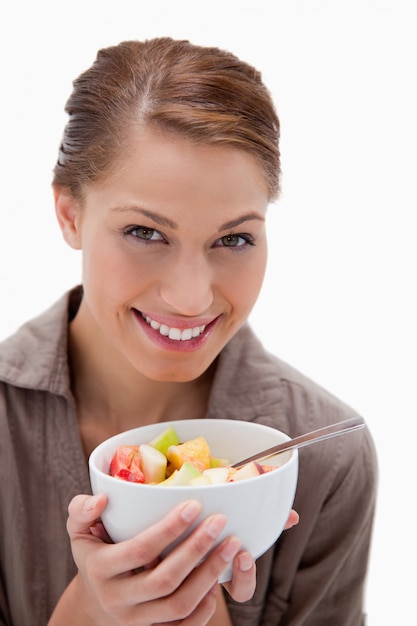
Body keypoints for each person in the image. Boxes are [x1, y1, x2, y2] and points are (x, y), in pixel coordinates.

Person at [0, 37, 377, 626]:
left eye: (233, 239)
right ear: (70, 214)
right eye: (146, 233)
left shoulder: (328, 460)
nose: (191, 297)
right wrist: (85, 613)